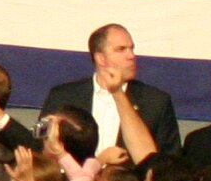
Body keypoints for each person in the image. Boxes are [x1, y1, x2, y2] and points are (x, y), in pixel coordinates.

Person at [39, 22, 181, 156]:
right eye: (121, 49)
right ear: (101, 58)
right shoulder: (63, 97)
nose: (131, 56)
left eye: (132, 48)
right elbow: (41, 150)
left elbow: (169, 162)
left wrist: (117, 92)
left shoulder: (156, 102)